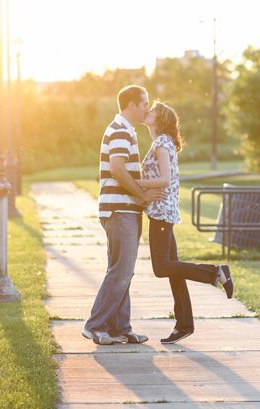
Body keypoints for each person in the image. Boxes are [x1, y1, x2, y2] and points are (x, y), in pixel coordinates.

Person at [141, 101, 234, 344]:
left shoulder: (161, 142)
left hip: (161, 212)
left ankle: (216, 272)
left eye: (151, 110)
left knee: (162, 268)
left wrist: (134, 182)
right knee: (174, 267)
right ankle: (184, 324)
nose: (147, 112)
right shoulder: (163, 142)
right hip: (164, 212)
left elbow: (164, 179)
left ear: (159, 119)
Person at [82, 85, 164, 346]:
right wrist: (141, 196)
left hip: (125, 210)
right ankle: (95, 326)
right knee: (121, 271)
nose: (147, 109)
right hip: (119, 210)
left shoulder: (126, 130)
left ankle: (121, 328)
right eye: (144, 104)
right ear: (131, 104)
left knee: (122, 271)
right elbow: (117, 169)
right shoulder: (119, 130)